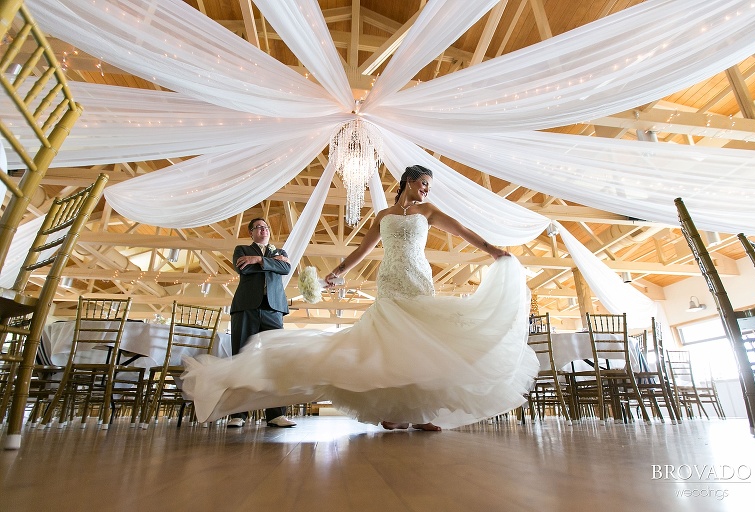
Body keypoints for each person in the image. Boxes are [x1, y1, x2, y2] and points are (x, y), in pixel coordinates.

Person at [182, 165, 538, 431]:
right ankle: (398, 411)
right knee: (392, 345)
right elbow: (364, 249)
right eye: (422, 183)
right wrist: (338, 271)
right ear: (408, 182)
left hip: (417, 277)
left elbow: (461, 230)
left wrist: (493, 250)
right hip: (390, 281)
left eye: (429, 186)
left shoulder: (428, 213)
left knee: (422, 342)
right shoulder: (383, 215)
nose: (426, 190)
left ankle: (421, 412)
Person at [227, 217, 296, 428]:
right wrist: (271, 265)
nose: (263, 230)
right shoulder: (241, 249)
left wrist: (258, 261)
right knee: (241, 357)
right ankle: (238, 414)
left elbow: (285, 269)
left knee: (276, 359)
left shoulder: (280, 252)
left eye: (266, 227)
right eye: (258, 227)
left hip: (273, 309)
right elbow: (243, 269)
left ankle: (276, 414)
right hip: (246, 307)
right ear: (251, 232)